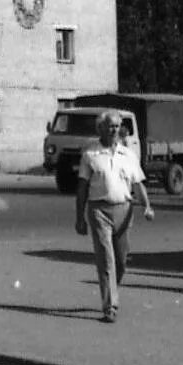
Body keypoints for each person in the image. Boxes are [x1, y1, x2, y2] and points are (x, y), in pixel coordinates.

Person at [75, 108, 154, 323]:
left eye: (117, 126)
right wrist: (79, 217)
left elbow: (137, 183)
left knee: (120, 261)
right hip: (99, 210)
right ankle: (110, 307)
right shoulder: (90, 154)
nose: (114, 130)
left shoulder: (128, 155)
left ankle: (112, 291)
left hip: (124, 210)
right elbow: (82, 187)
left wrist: (147, 205)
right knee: (106, 260)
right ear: (100, 128)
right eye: (110, 126)